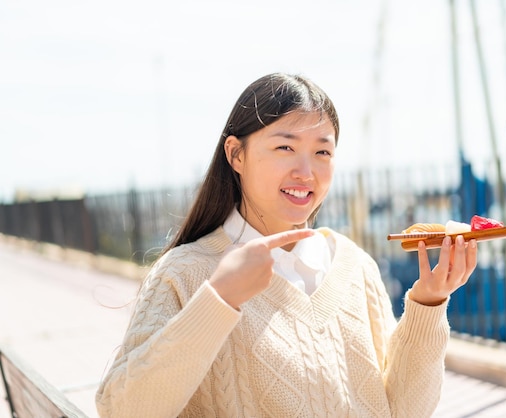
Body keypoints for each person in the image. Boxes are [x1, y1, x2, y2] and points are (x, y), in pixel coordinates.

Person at [95, 72, 478, 418]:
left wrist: (429, 302)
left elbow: (404, 411)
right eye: (285, 148)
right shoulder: (186, 272)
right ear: (236, 154)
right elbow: (120, 410)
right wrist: (219, 299)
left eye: (322, 152)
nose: (306, 171)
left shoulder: (354, 265)